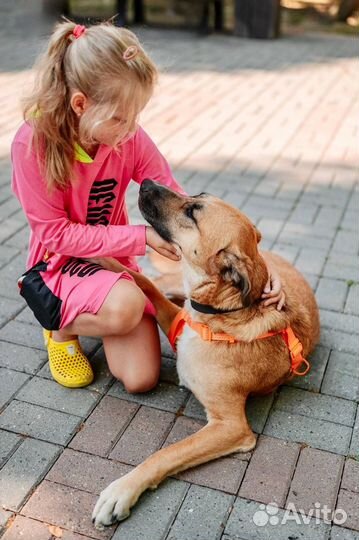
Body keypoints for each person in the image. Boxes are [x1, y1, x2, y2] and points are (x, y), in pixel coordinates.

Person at [11, 21, 284, 393]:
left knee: (141, 379)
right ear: (81, 105)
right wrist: (140, 237)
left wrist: (257, 269)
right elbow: (54, 235)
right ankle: (58, 327)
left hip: (112, 262)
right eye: (121, 118)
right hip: (57, 266)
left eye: (136, 116)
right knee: (125, 306)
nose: (131, 128)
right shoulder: (34, 144)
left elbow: (175, 197)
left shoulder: (126, 135)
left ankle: (99, 308)